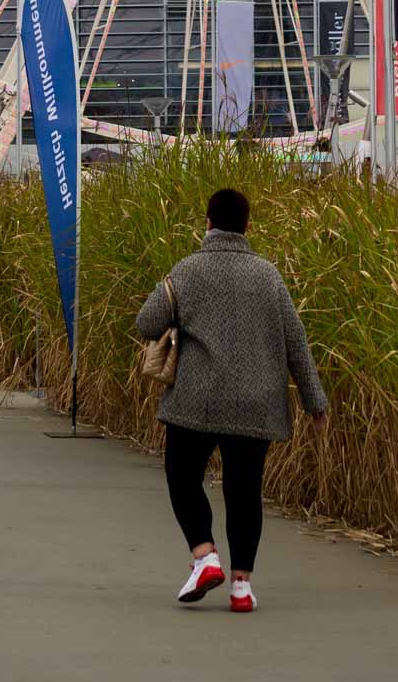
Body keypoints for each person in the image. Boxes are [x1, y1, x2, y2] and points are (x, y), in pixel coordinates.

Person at [135, 187, 328, 614]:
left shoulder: (188, 270)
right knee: (245, 491)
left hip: (196, 400)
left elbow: (146, 321)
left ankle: (205, 556)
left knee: (182, 477)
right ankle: (241, 587)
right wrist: (316, 402)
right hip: (256, 403)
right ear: (247, 227)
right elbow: (296, 341)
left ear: (207, 223)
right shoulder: (268, 275)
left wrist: (174, 302)